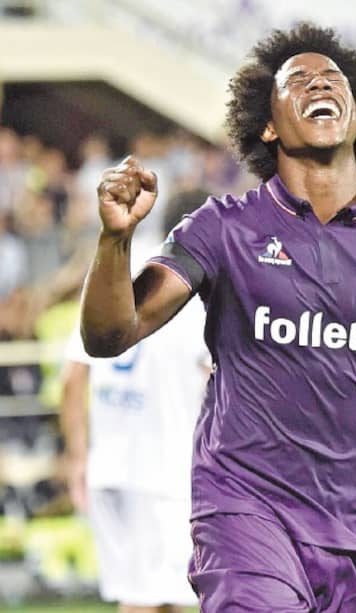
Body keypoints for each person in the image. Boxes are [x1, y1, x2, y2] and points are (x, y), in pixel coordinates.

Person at [79, 22, 356, 613]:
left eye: (334, 78)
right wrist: (115, 243)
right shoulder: (222, 228)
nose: (320, 84)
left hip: (355, 528)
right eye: (299, 80)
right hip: (242, 507)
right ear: (267, 123)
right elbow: (109, 335)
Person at [60, 189, 210, 613]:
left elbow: (73, 375)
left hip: (110, 468)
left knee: (142, 595)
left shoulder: (118, 277)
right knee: (177, 598)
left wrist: (77, 457)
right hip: (165, 472)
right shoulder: (192, 290)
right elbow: (213, 379)